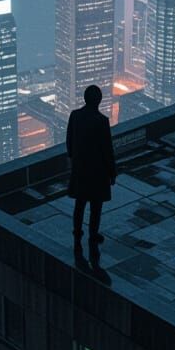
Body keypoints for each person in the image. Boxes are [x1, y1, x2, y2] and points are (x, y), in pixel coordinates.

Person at [66, 84, 116, 256]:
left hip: (80, 169)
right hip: (97, 172)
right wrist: (112, 172)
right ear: (99, 101)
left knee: (79, 204)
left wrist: (75, 160)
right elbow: (107, 150)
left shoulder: (75, 116)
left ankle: (76, 232)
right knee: (96, 206)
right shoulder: (102, 121)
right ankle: (93, 235)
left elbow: (69, 142)